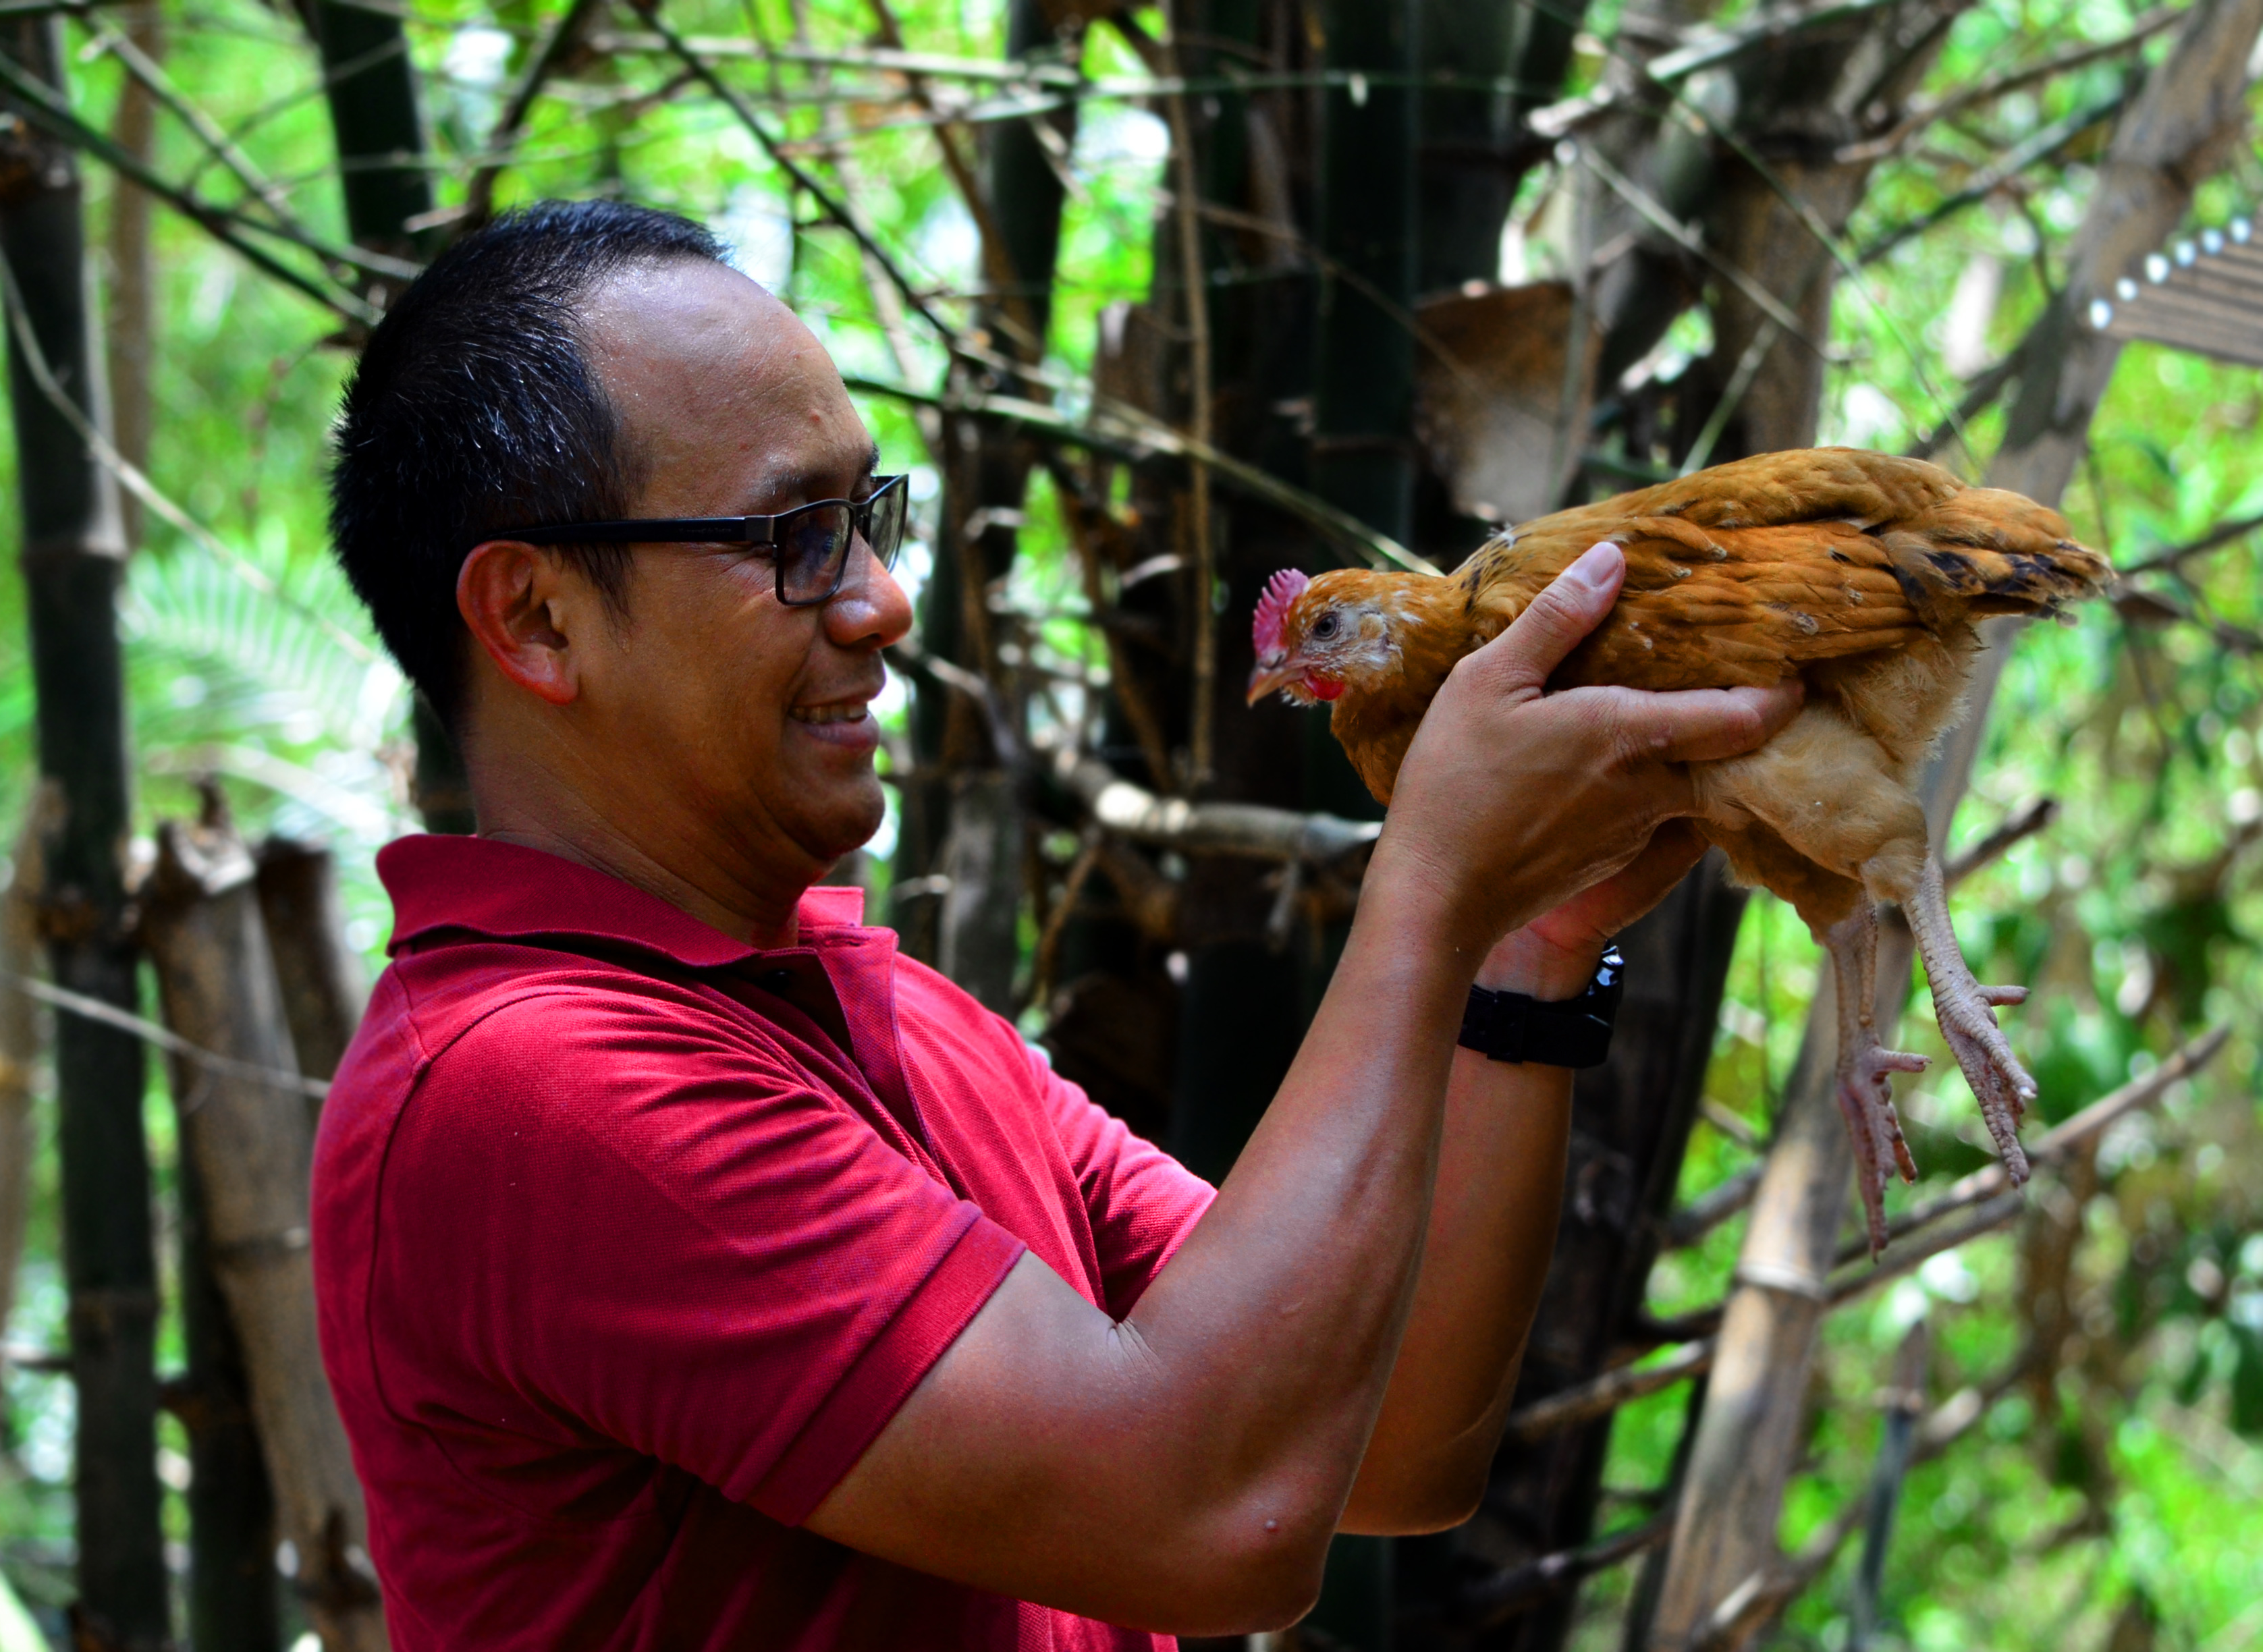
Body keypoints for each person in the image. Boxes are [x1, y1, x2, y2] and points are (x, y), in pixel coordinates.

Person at [312, 199, 1798, 1651]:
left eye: (869, 517)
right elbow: (1215, 1521)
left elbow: (1394, 1436)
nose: (884, 602)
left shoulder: (898, 1024)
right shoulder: (535, 1088)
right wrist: (1429, 886)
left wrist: (1516, 960)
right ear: (536, 621)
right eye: (793, 535)